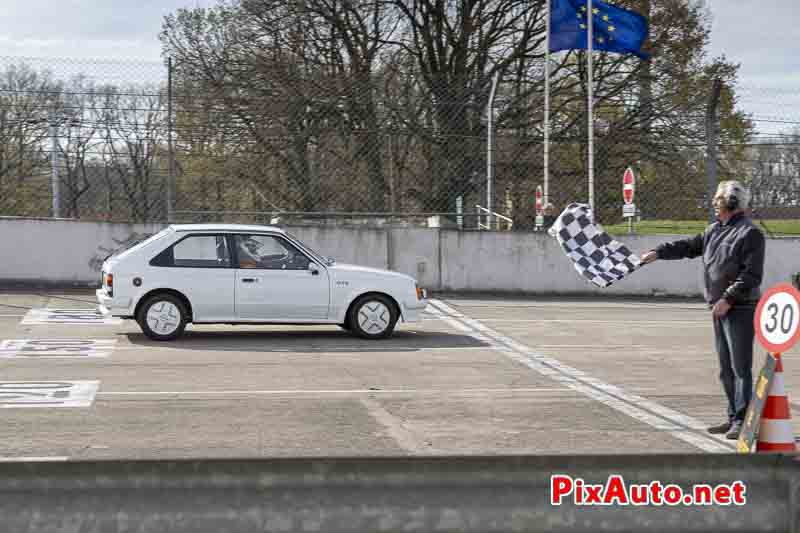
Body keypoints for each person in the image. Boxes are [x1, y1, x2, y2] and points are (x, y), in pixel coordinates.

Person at [640, 180, 766, 440]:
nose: (714, 204)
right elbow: (688, 246)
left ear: (729, 203)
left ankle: (743, 420)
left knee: (740, 367)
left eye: (718, 200)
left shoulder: (750, 233)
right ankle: (733, 416)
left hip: (739, 307)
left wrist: (728, 299)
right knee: (725, 368)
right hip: (719, 307)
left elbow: (752, 275)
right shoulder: (713, 230)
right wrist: (658, 252)